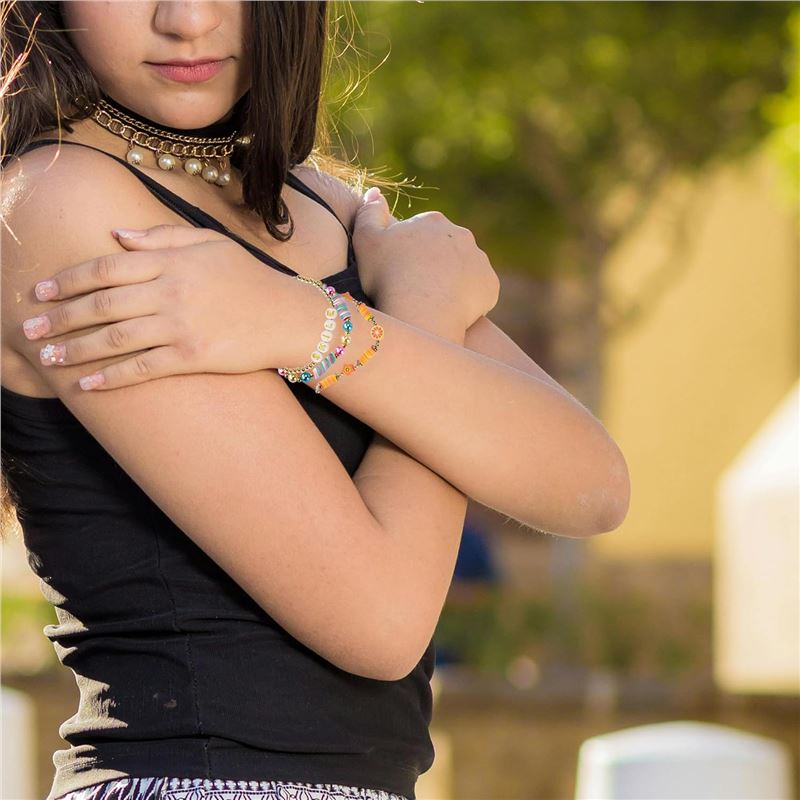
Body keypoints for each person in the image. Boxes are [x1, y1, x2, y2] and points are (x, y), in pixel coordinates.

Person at [0, 2, 631, 800]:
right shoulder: (63, 205)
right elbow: (380, 620)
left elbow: (592, 485)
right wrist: (420, 310)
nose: (186, 19)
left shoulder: (315, 201)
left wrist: (301, 322)